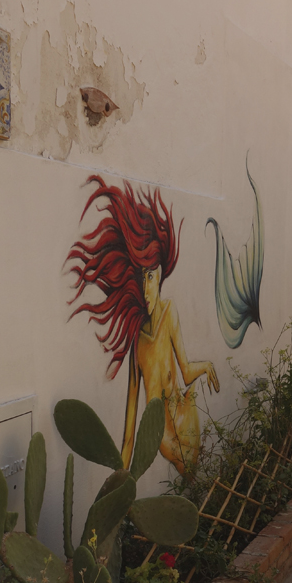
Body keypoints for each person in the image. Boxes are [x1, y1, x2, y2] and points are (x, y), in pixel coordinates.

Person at [66, 174, 219, 475]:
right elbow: (129, 429)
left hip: (184, 415)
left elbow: (186, 371)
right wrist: (121, 486)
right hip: (159, 436)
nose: (146, 286)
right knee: (188, 483)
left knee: (193, 484)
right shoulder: (136, 340)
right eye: (141, 277)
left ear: (161, 274)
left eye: (150, 276)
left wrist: (207, 365)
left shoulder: (170, 313)